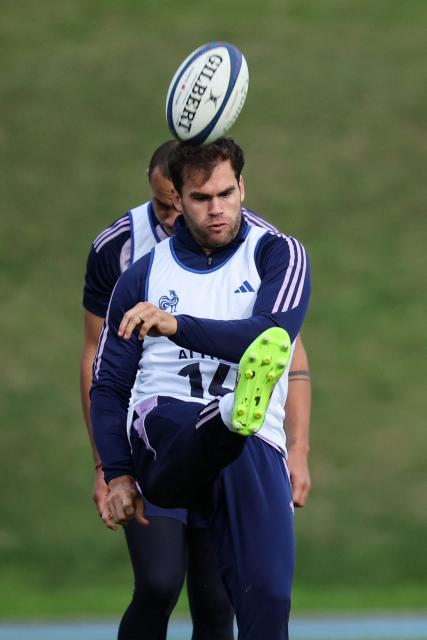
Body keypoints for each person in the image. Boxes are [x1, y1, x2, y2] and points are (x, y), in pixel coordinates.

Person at [90, 137, 311, 640]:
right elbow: (108, 386)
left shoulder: (278, 254)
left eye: (226, 194)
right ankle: (228, 412)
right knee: (159, 583)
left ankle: (232, 414)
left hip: (252, 445)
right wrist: (117, 473)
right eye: (200, 198)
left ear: (242, 187)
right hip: (162, 438)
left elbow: (270, 337)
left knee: (267, 598)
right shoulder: (143, 276)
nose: (216, 209)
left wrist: (176, 325)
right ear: (176, 200)